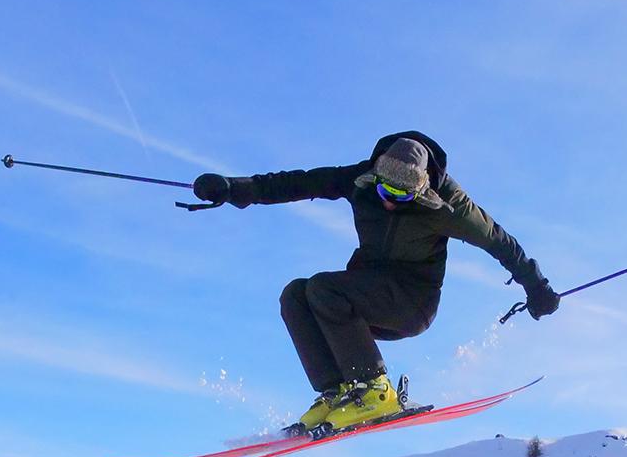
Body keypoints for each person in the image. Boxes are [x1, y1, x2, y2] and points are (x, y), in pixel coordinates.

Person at [193, 131, 558, 435]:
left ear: (422, 191)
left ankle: (376, 390)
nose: (389, 203)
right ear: (375, 178)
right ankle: (339, 392)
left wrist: (536, 284)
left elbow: (498, 240)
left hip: (411, 303)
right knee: (296, 294)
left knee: (323, 288)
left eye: (401, 196)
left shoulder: (451, 205)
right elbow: (299, 182)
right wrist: (234, 188)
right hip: (365, 293)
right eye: (384, 191)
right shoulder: (360, 179)